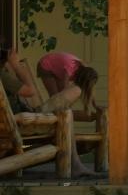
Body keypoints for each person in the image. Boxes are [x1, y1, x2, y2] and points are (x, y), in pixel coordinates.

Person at [0, 48, 97, 177]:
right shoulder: (2, 75)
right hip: (24, 120)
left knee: (67, 111)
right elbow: (30, 91)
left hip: (21, 118)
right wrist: (16, 65)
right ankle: (76, 165)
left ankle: (76, 165)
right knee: (75, 93)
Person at [37, 51, 99, 117]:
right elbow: (65, 89)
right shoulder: (70, 68)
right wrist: (67, 108)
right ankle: (41, 111)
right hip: (45, 65)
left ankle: (58, 114)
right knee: (55, 96)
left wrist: (95, 105)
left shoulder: (85, 69)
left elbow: (89, 89)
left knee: (61, 97)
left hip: (57, 68)